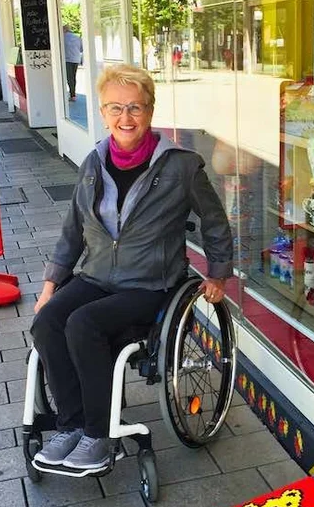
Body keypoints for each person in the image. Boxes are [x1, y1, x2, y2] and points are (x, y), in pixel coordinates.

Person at [31, 64, 233, 472]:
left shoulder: (181, 165)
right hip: (97, 275)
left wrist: (218, 273)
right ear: (103, 113)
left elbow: (214, 220)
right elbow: (73, 228)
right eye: (115, 108)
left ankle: (99, 435)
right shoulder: (93, 163)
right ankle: (71, 426)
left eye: (135, 108)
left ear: (150, 111)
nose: (126, 118)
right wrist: (52, 283)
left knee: (83, 324)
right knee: (48, 320)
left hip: (150, 285)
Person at [63, 24, 83, 101]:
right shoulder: (77, 37)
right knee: (73, 77)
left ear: (64, 30)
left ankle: (72, 95)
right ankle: (73, 94)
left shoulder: (63, 38)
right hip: (76, 59)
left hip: (67, 60)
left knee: (69, 77)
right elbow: (81, 49)